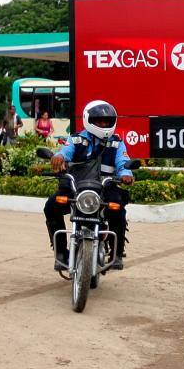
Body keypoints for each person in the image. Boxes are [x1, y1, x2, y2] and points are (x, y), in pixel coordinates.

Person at [45, 100, 134, 272]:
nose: (103, 124)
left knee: (118, 208)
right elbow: (65, 151)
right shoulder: (76, 139)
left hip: (105, 190)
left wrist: (126, 175)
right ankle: (61, 252)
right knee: (51, 207)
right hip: (76, 189)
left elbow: (123, 163)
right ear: (88, 120)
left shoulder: (117, 143)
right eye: (99, 121)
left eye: (107, 121)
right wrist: (59, 158)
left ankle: (116, 254)